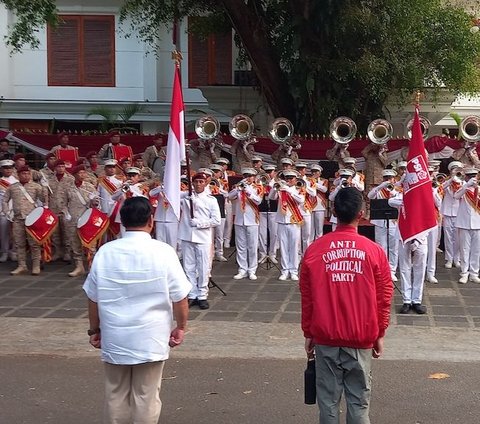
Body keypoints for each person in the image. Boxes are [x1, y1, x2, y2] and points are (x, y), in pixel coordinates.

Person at [83, 197, 190, 424]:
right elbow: (180, 298)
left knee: (115, 393)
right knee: (147, 395)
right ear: (151, 221)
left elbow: (93, 298)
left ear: (122, 221)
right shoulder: (164, 251)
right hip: (150, 336)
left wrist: (94, 330)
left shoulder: (105, 252)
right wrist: (180, 327)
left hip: (115, 334)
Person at [300, 187, 393, 424]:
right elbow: (384, 297)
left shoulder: (315, 250)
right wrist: (379, 333)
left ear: (333, 212)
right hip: (361, 336)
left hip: (326, 336)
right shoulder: (374, 251)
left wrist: (309, 332)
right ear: (361, 214)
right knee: (359, 402)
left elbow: (307, 297)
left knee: (328, 404)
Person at [178, 172, 221, 309]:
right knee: (188, 266)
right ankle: (192, 293)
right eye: (195, 182)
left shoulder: (210, 200)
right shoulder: (185, 197)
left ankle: (202, 294)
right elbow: (170, 193)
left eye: (201, 182)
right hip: (187, 235)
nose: (198, 184)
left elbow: (216, 220)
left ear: (205, 183)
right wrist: (186, 195)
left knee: (203, 267)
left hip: (202, 236)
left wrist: (199, 223)